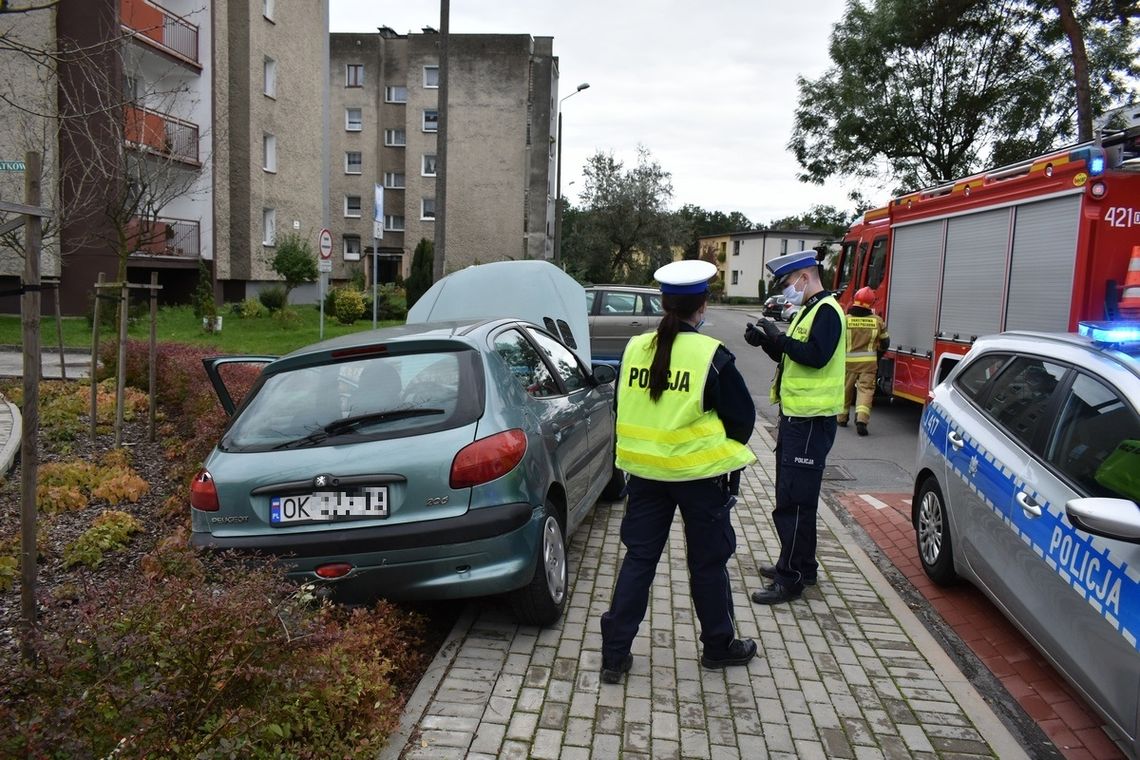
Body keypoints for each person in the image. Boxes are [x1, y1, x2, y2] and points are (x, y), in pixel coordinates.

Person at [600, 259, 758, 684]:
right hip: (699, 480)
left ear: (664, 304)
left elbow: (621, 405)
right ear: (702, 306)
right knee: (708, 563)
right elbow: (743, 420)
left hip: (646, 477)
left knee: (639, 560)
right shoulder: (712, 356)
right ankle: (718, 647)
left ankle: (614, 654)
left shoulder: (634, 348)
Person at [743, 250, 846, 604]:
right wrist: (769, 343)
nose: (787, 289)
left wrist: (779, 337)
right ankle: (803, 565)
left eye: (788, 282)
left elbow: (817, 357)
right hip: (797, 419)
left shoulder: (828, 312)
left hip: (811, 421)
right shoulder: (810, 309)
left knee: (794, 504)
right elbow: (795, 356)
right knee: (794, 499)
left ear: (804, 276)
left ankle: (791, 579)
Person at [837, 286, 889, 436]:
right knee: (866, 391)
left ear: (855, 301)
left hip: (848, 363)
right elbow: (885, 343)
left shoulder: (845, 321)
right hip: (869, 364)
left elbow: (837, 342)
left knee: (845, 390)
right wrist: (877, 356)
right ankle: (861, 420)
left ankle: (841, 418)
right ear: (871, 304)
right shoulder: (878, 321)